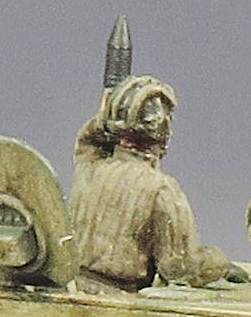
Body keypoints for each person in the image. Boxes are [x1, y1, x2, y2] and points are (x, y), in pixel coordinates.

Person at [67, 75, 237, 292]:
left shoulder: (89, 165)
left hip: (74, 287)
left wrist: (112, 114)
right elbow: (178, 268)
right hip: (121, 299)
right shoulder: (162, 189)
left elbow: (89, 137)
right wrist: (217, 263)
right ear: (165, 134)